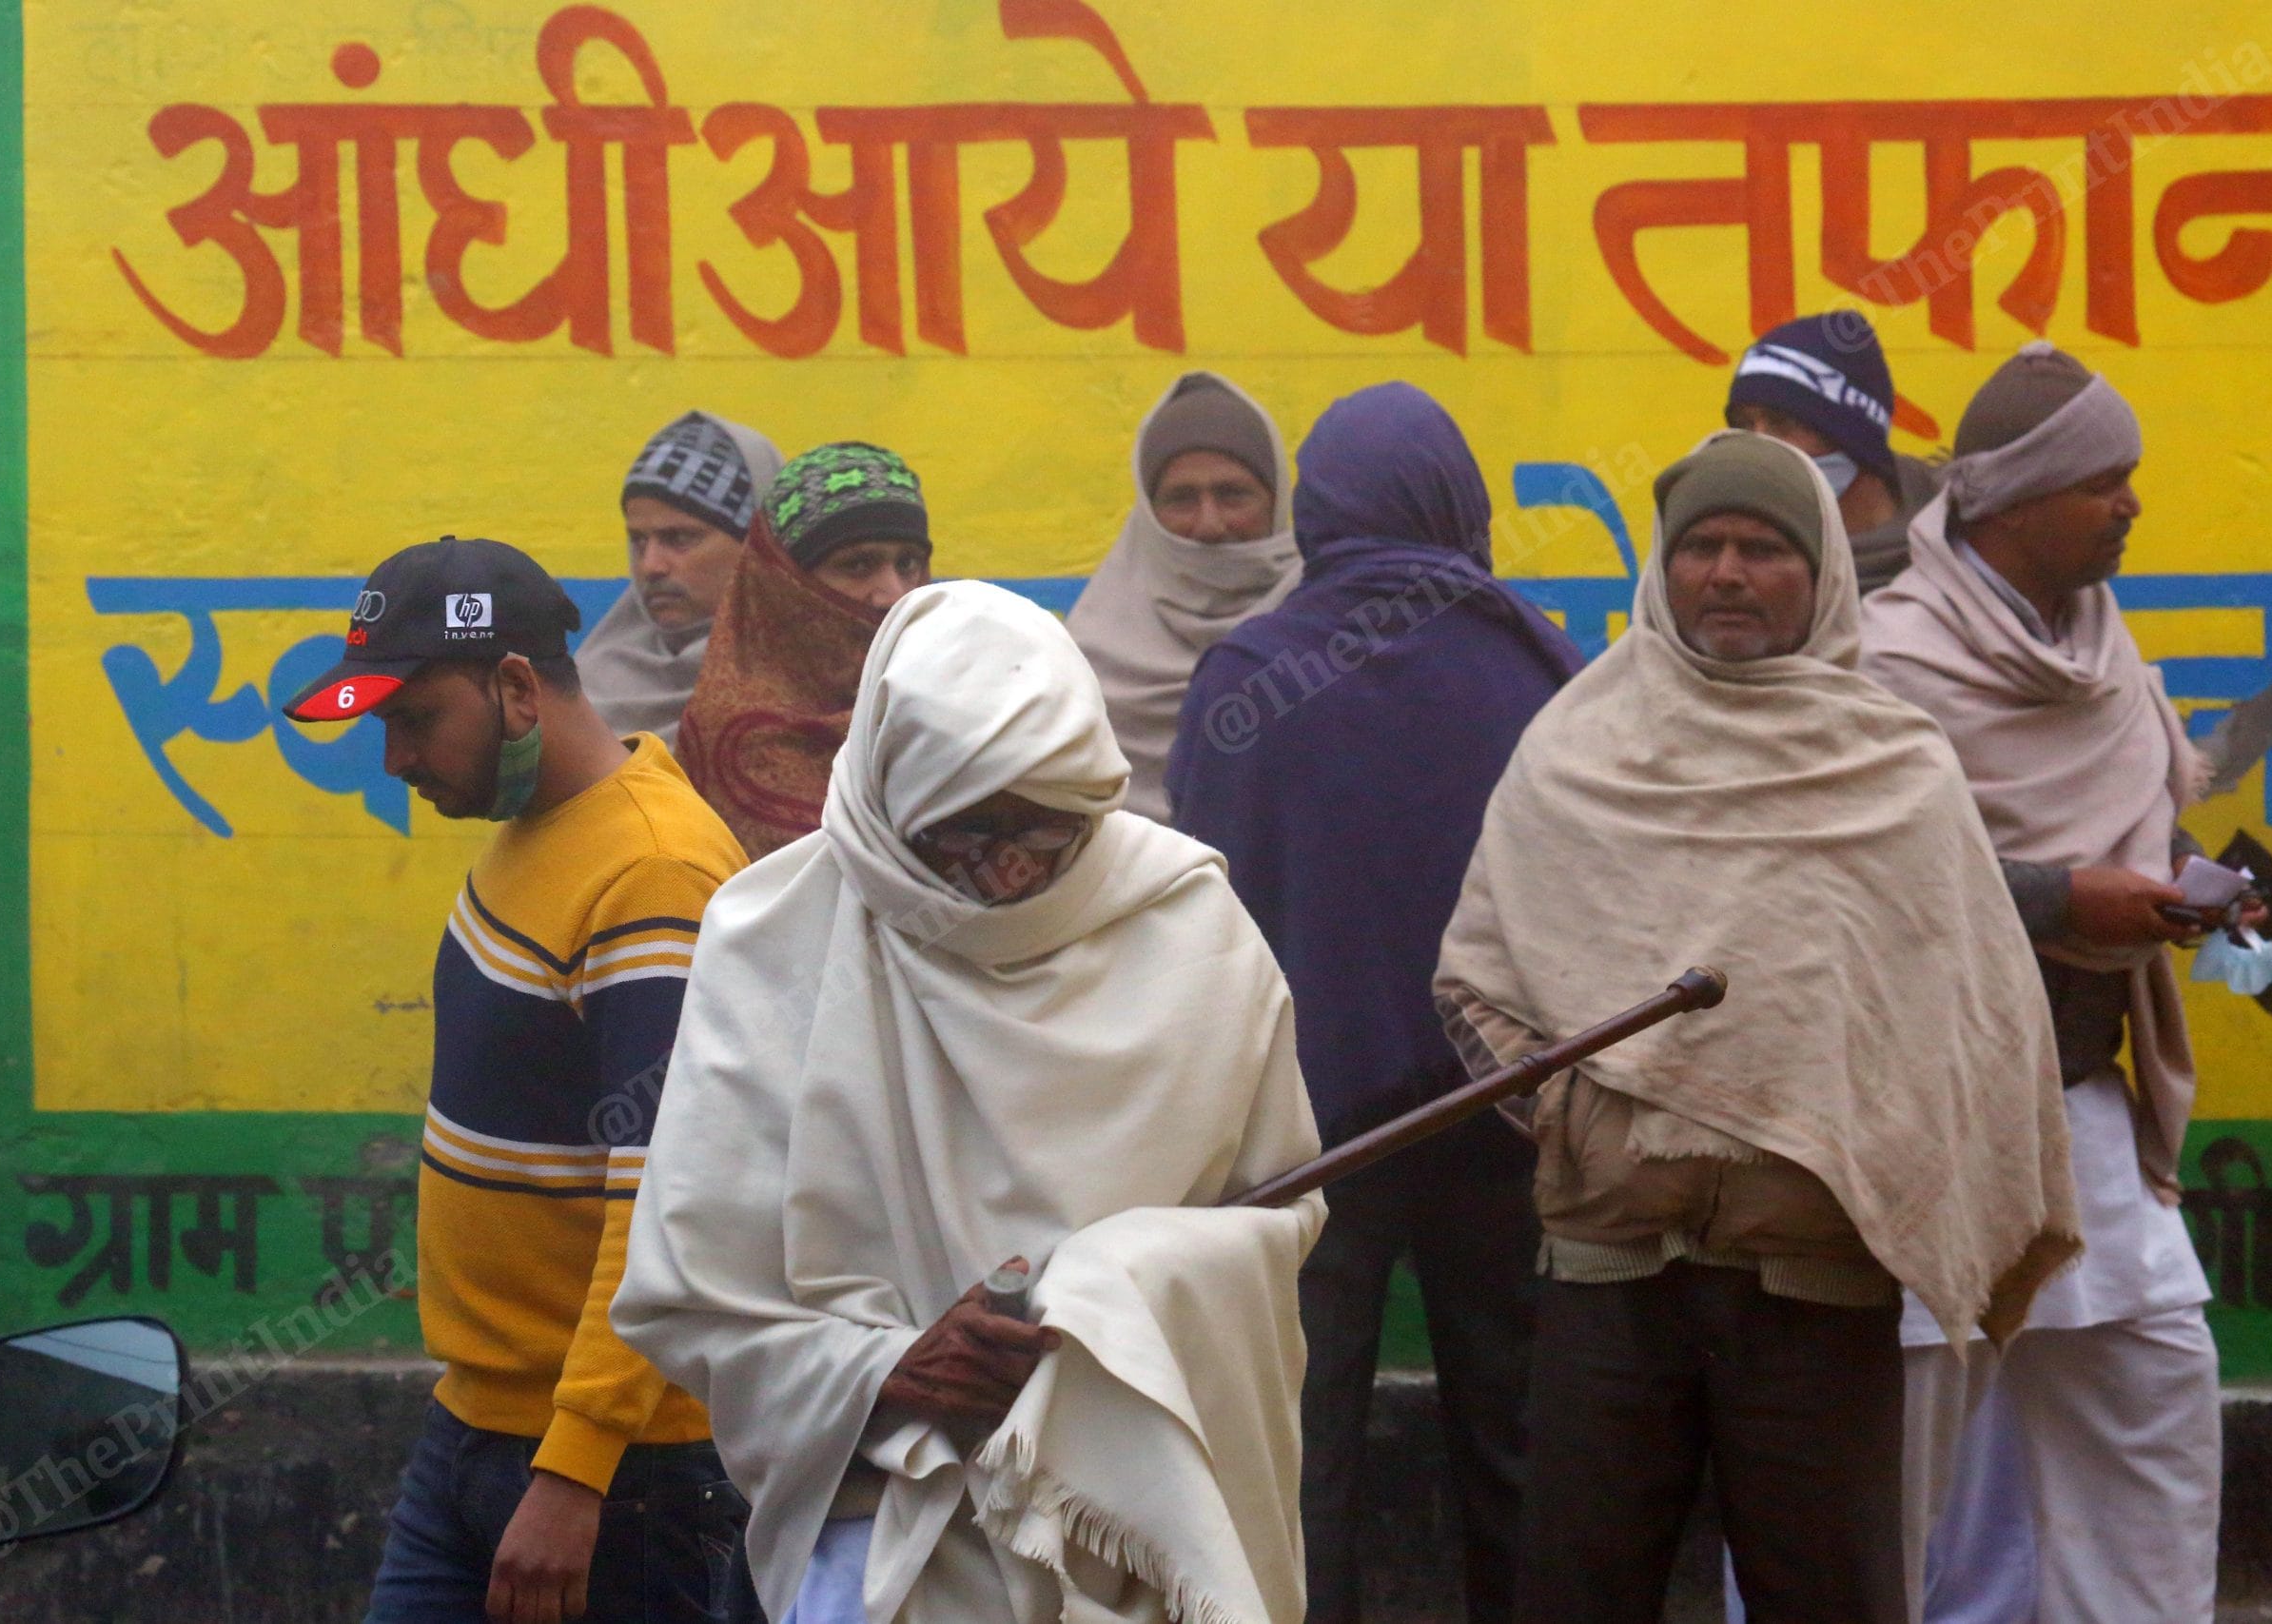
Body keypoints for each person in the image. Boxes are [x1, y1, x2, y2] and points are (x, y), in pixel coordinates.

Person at [1434, 432, 2079, 1624]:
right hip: (1606, 1277)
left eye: (1765, 549)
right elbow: (1478, 984)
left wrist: (1853, 1146)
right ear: (1663, 570)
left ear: (1822, 574)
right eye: (1702, 548)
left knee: (1827, 1597)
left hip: (1812, 1286)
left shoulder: (1896, 769)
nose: (1727, 575)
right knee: (1575, 1595)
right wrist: (1577, 1121)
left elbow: (1970, 1019)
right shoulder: (1573, 749)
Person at [614, 581, 1327, 1624]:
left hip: (1131, 1549)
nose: (1005, 870)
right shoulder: (774, 939)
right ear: (891, 798)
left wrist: (1110, 1301)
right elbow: (691, 1297)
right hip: (876, 1537)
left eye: (1046, 832)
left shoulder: (1192, 931)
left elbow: (1278, 1221)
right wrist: (885, 1372)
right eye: (966, 831)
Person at [282, 536, 758, 1624]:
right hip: (476, 1431)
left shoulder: (651, 872)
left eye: (412, 720)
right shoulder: (541, 829)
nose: (394, 759)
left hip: (619, 1477)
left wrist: (573, 1472)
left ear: (512, 688)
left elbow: (667, 1199)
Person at [1166, 382, 1581, 1624]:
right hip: (1504, 1110)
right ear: (1457, 500)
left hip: (1309, 1131)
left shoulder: (1249, 673)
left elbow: (1204, 902)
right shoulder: (1541, 662)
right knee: (1517, 1433)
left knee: (1305, 1448)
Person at [1863, 342, 2238, 1623]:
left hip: (2082, 1097)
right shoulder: (1892, 658)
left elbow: (2132, 817)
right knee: (1898, 1471)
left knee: (2152, 1394)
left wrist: (2182, 880)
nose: (2130, 503)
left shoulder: (2102, 645)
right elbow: (1873, 873)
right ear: (2017, 500)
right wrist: (2061, 900)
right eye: (2104, 481)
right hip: (1929, 1117)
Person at [676, 442, 933, 859]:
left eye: (908, 564)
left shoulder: (947, 700)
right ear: (784, 586)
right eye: (858, 565)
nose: (895, 595)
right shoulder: (742, 736)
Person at [1067, 371, 1301, 822]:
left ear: (1277, 501)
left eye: (1233, 494)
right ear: (1149, 514)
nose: (1209, 524)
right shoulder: (1084, 662)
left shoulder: (1329, 635)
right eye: (1181, 498)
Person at [578, 412, 784, 743]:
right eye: (639, 540)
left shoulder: (812, 681)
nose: (650, 566)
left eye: (679, 538)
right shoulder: (585, 691)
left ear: (758, 545)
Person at [1726, 312, 1942, 593]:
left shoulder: (1965, 561)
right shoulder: (1728, 567)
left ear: (1855, 437)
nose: (1758, 445)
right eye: (1744, 425)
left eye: (1782, 423)